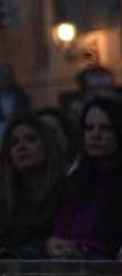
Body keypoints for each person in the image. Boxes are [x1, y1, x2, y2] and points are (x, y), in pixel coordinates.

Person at [0, 114, 67, 262]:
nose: (22, 147)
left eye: (30, 139)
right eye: (14, 143)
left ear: (46, 144)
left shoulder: (65, 193)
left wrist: (4, 254)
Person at [47, 95, 122, 259]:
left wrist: (85, 249)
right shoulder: (75, 180)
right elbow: (61, 228)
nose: (95, 135)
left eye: (105, 128)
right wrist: (55, 244)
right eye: (89, 128)